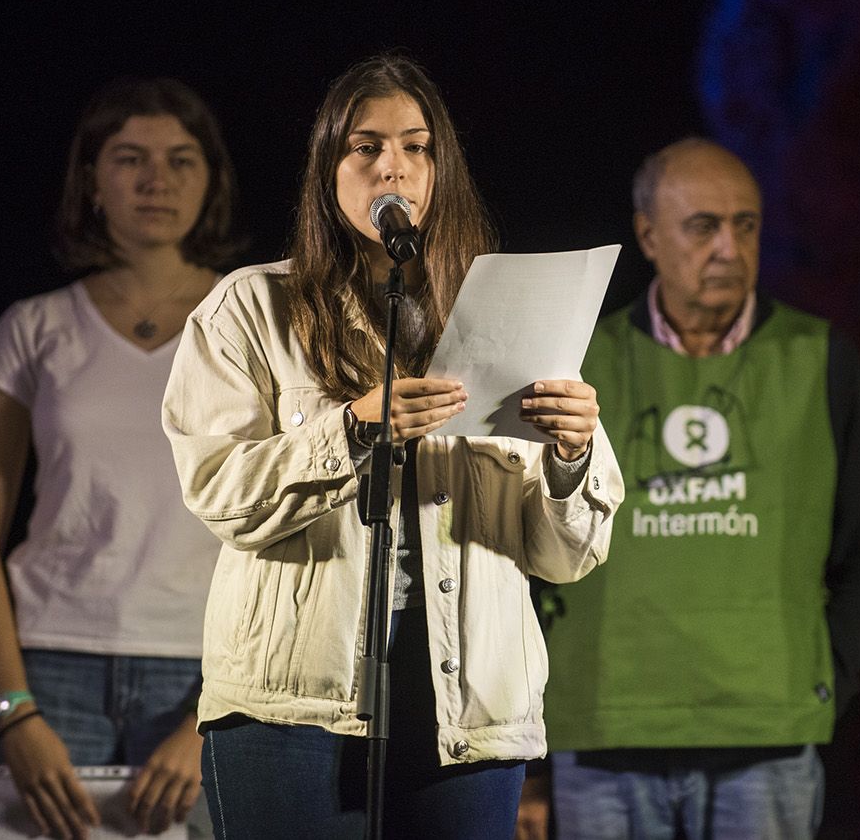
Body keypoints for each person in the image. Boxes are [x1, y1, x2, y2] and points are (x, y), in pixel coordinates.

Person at [161, 52, 624, 839]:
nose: (393, 168)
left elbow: (568, 556)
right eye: (365, 146)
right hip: (288, 704)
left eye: (416, 147)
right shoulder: (249, 308)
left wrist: (571, 456)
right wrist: (348, 430)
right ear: (328, 169)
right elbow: (218, 492)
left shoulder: (510, 316)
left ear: (441, 170)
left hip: (469, 702)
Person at [535, 138, 860, 839]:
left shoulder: (822, 359)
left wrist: (821, 673)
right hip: (605, 729)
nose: (729, 248)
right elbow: (527, 548)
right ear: (648, 235)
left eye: (746, 225)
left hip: (768, 737)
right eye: (703, 227)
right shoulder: (576, 364)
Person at [0, 77, 243, 840]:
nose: (156, 180)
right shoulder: (35, 326)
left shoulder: (252, 322)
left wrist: (217, 711)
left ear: (211, 180)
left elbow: (288, 538)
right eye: (130, 158)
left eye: (181, 159)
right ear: (92, 180)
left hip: (209, 673)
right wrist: (13, 711)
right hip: (47, 671)